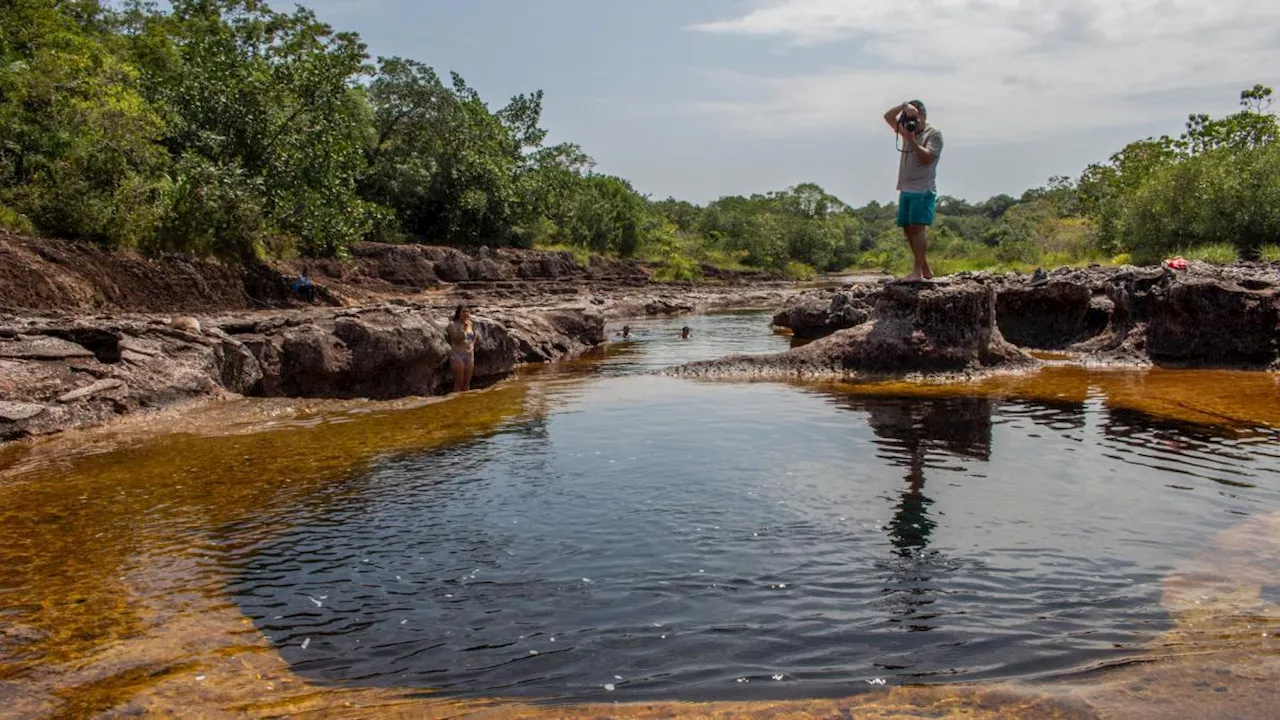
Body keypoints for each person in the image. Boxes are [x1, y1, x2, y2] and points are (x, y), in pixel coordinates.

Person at [883, 99, 944, 282]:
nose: (912, 124)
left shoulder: (934, 134)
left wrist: (912, 142)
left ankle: (917, 272)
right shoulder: (907, 130)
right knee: (908, 229)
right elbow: (887, 117)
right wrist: (903, 107)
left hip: (922, 189)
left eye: (915, 120)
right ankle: (925, 269)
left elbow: (927, 159)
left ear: (923, 117)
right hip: (906, 187)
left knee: (918, 228)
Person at [446, 304, 476, 392]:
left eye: (467, 311)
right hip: (457, 355)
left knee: (467, 383)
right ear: (458, 313)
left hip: (469, 354)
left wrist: (472, 345)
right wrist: (464, 329)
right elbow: (456, 340)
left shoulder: (470, 323)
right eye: (463, 311)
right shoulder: (453, 325)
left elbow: (475, 336)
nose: (466, 314)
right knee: (459, 383)